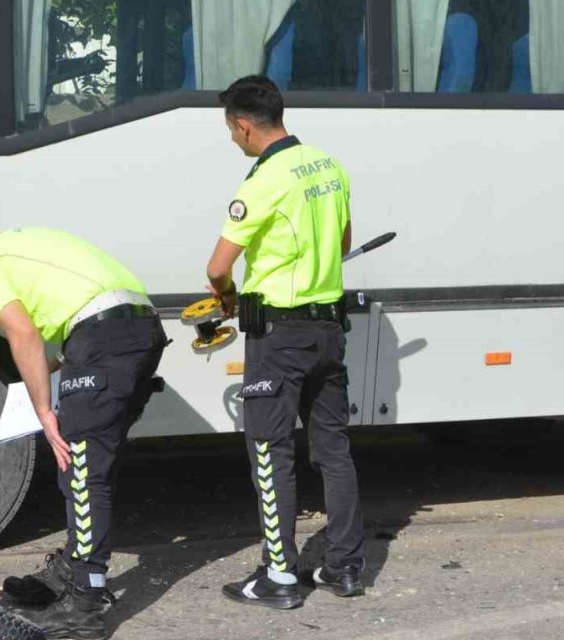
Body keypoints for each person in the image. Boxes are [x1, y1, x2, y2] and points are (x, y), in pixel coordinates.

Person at [0, 223, 166, 639]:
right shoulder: (9, 247)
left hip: (106, 336)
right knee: (92, 463)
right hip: (136, 328)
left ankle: (84, 603)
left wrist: (44, 410)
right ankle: (71, 570)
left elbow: (23, 332)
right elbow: (74, 305)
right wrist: (55, 369)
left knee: (79, 466)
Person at [206, 75, 365, 609]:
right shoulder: (329, 165)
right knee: (333, 450)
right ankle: (343, 568)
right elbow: (342, 242)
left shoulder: (263, 181)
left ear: (243, 125)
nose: (232, 139)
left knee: (270, 451)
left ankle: (280, 576)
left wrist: (227, 298)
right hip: (329, 331)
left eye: (231, 130)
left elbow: (217, 267)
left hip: (279, 336)